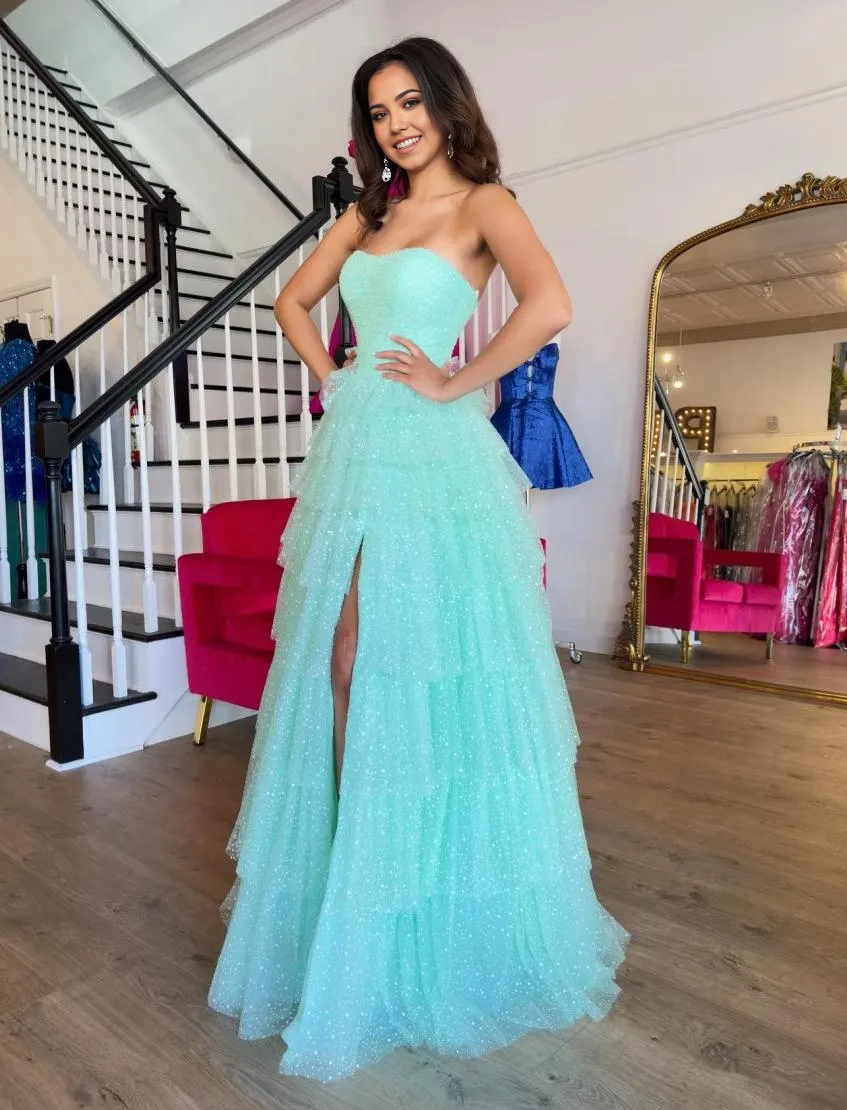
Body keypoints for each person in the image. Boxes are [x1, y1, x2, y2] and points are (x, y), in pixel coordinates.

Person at [208, 36, 628, 1082]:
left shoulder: (486, 204)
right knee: (343, 657)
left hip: (435, 456)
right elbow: (291, 302)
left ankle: (425, 878)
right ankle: (357, 869)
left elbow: (550, 305)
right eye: (378, 111)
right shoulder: (367, 214)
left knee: (434, 660)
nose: (395, 124)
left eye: (409, 103)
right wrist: (335, 377)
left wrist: (453, 380)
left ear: (444, 105)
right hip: (358, 446)